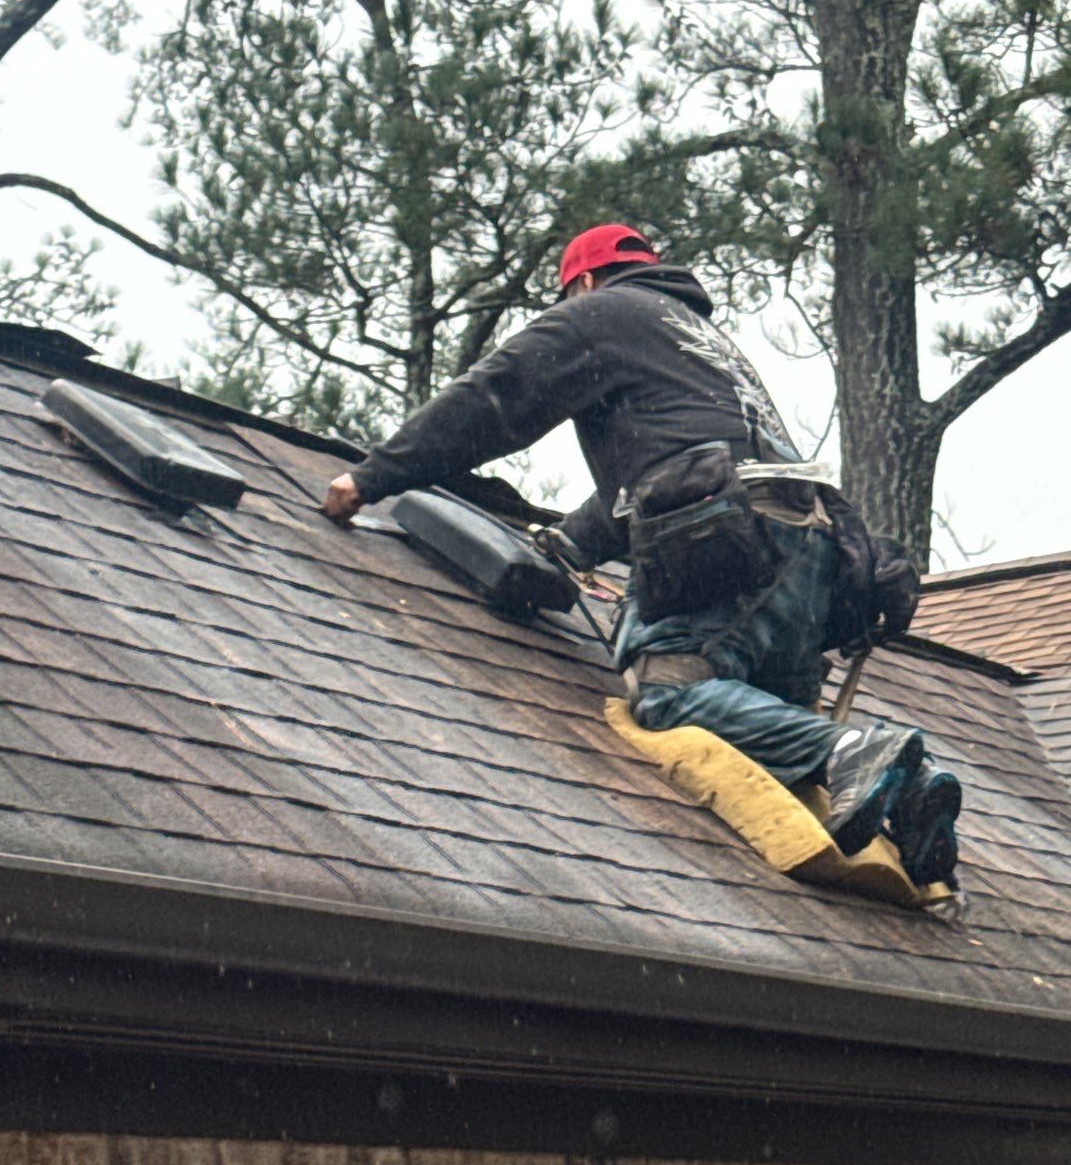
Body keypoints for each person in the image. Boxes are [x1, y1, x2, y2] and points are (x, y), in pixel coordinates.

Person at [324, 224, 960, 884]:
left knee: (668, 697)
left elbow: (495, 397)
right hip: (819, 555)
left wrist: (371, 478)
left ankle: (863, 751)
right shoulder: (703, 344)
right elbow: (669, 465)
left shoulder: (604, 311)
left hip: (736, 545)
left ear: (585, 283)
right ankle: (913, 797)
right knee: (763, 743)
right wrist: (566, 546)